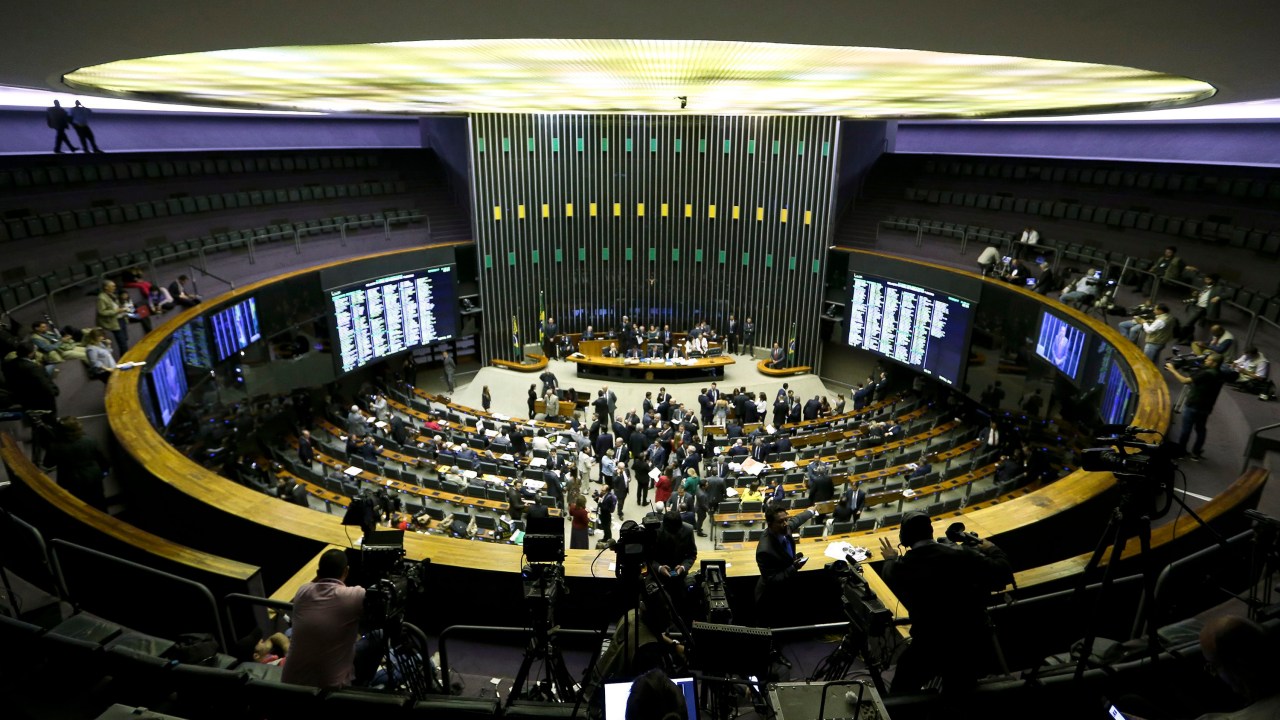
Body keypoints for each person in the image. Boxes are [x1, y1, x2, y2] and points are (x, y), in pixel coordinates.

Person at [878, 510, 1011, 694]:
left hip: (929, 644)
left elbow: (888, 572)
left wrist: (891, 557)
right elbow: (1003, 572)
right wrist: (989, 547)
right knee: (959, 696)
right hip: (966, 644)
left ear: (905, 538)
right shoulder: (963, 555)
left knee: (901, 693)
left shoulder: (902, 567)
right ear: (931, 531)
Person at [281, 549, 368, 688]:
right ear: (346, 571)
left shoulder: (302, 591)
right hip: (329, 689)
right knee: (377, 636)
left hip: (289, 683)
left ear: (317, 573)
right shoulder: (355, 595)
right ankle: (364, 687)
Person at [754, 506, 815, 627]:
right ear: (770, 524)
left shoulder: (784, 528)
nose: (785, 524)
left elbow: (796, 520)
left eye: (786, 519)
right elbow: (772, 579)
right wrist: (794, 567)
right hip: (771, 597)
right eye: (781, 521)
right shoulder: (764, 550)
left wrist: (811, 511)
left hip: (786, 589)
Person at [1165, 355, 1225, 460]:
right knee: (1201, 429)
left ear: (1215, 363)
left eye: (1208, 359)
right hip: (1206, 407)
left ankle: (1181, 452)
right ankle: (1196, 453)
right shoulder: (1220, 374)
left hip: (1194, 405)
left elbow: (1184, 380)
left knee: (1186, 429)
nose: (1205, 360)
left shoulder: (1206, 373)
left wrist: (1172, 369)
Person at [50, 416, 110, 510]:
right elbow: (102, 459)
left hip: (71, 479)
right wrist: (105, 470)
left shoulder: (55, 446)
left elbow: (48, 463)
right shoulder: (90, 440)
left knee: (80, 505)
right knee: (99, 501)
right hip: (93, 476)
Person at [97, 279, 130, 353]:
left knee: (125, 338)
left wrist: (122, 308)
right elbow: (101, 312)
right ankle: (124, 361)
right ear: (106, 287)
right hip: (114, 322)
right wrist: (116, 311)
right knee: (122, 343)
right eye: (112, 286)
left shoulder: (112, 295)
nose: (114, 287)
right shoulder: (101, 298)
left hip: (121, 319)